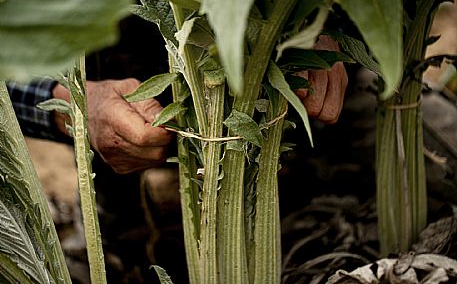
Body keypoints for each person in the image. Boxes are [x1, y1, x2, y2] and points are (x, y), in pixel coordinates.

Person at [6, 15, 348, 284]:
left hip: (288, 97)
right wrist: (76, 103)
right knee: (127, 251)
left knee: (322, 219)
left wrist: (319, 19)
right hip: (117, 77)